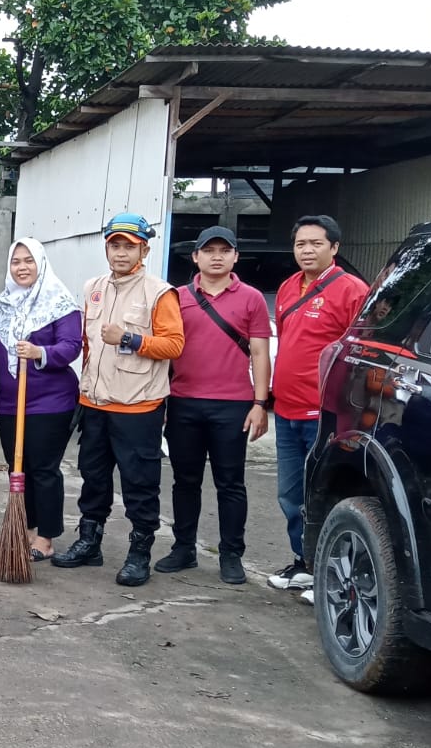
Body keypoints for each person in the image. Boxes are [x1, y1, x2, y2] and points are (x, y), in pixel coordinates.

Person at [52, 213, 184, 586]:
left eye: (129, 245)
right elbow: (89, 343)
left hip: (137, 408)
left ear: (144, 248)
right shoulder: (94, 287)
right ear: (106, 247)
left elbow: (175, 345)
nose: (121, 252)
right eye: (115, 244)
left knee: (140, 484)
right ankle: (88, 543)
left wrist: (130, 338)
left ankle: (139, 553)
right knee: (93, 479)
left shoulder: (159, 292)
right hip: (95, 404)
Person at [158, 227, 272, 585]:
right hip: (184, 403)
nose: (217, 256)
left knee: (231, 483)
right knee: (184, 481)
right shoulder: (177, 297)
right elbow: (165, 349)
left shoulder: (251, 298)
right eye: (209, 250)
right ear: (195, 257)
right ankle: (184, 548)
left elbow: (259, 352)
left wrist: (260, 403)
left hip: (233, 405)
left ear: (236, 257)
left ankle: (231, 554)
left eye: (225, 250)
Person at [268, 214, 369, 597]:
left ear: (334, 248)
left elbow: (359, 353)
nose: (306, 251)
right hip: (287, 410)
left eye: (315, 244)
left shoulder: (351, 290)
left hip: (325, 414)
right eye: (300, 244)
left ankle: (336, 578)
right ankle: (305, 564)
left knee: (325, 496)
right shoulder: (289, 287)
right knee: (291, 496)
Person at [0, 238, 82, 562]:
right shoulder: (5, 304)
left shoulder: (60, 302)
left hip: (50, 402)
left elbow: (72, 346)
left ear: (41, 263)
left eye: (28, 260)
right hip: (8, 402)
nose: (22, 267)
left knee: (44, 469)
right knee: (19, 469)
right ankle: (26, 529)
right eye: (16, 261)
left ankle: (45, 537)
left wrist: (40, 352)